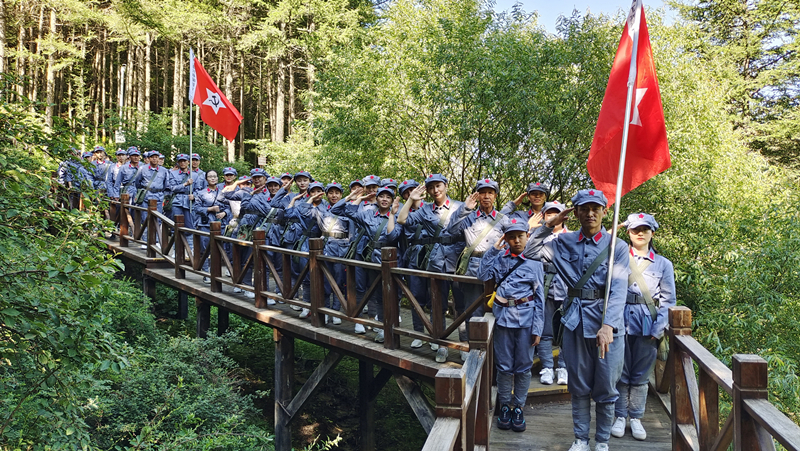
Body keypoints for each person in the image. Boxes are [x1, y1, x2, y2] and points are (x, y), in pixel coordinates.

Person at [524, 189, 629, 451]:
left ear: (604, 212)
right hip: (575, 322)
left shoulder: (617, 245)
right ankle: (581, 439)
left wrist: (608, 325)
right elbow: (529, 250)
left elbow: (618, 290)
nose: (590, 213)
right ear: (577, 212)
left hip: (608, 327)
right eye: (584, 208)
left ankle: (602, 441)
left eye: (596, 208)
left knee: (606, 387)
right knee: (579, 385)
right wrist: (549, 224)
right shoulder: (563, 242)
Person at [611, 213, 675, 441]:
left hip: (647, 326)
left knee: (640, 376)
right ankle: (619, 416)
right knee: (619, 372)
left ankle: (636, 418)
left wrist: (658, 330)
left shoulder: (663, 264)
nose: (640, 233)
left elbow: (669, 301)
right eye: (635, 229)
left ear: (652, 233)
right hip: (619, 323)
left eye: (645, 229)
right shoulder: (615, 257)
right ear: (627, 233)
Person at [479, 218, 544, 433]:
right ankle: (505, 405)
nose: (516, 240)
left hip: (526, 323)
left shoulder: (535, 263)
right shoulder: (499, 259)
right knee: (504, 367)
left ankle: (519, 407)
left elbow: (540, 299)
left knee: (524, 367)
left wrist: (537, 329)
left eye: (520, 236)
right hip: (504, 320)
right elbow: (482, 275)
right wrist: (491, 251)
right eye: (511, 236)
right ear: (505, 238)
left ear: (527, 236)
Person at [397, 174, 465, 362]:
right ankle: (442, 345)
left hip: (458, 262)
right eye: (432, 187)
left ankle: (463, 346)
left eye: (439, 186)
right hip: (436, 263)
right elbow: (402, 220)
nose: (436, 190)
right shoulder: (425, 210)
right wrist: (411, 200)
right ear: (427, 190)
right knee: (438, 305)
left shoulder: (460, 206)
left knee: (461, 306)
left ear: (446, 186)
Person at [448, 178, 511, 361]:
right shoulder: (468, 217)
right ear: (477, 195)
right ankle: (473, 351)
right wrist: (464, 208)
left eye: (490, 192)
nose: (486, 196)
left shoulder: (503, 219)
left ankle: (494, 353)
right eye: (483, 192)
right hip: (473, 270)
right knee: (472, 311)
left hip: (498, 272)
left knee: (497, 311)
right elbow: (451, 230)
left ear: (495, 196)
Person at [332, 185, 401, 343]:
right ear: (376, 199)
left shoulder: (397, 215)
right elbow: (340, 210)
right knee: (377, 294)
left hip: (391, 260)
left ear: (392, 200)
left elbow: (392, 237)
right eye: (381, 196)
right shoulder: (368, 213)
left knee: (390, 294)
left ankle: (391, 328)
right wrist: (358, 198)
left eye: (388, 197)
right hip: (372, 259)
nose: (384, 199)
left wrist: (392, 215)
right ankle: (383, 327)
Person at [535, 201, 570, 386]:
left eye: (557, 213)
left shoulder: (573, 237)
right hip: (545, 287)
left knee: (566, 331)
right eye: (549, 213)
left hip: (567, 289)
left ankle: (563, 366)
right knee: (545, 330)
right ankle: (547, 367)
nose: (553, 216)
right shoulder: (539, 237)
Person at [287, 181, 326, 318]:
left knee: (324, 277)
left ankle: (322, 307)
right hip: (305, 242)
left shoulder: (327, 206)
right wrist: (295, 200)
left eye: (318, 191)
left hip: (323, 243)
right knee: (306, 276)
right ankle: (307, 305)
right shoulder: (303, 204)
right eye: (313, 191)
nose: (316, 194)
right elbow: (289, 215)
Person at [317, 182, 349, 324]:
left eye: (337, 193)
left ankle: (336, 311)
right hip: (326, 247)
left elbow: (352, 230)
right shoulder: (322, 207)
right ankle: (325, 309)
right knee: (324, 280)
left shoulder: (347, 208)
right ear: (326, 194)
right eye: (331, 192)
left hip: (341, 248)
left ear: (341, 195)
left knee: (339, 280)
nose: (334, 195)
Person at [193, 170, 231, 279]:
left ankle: (217, 273)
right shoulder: (201, 193)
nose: (213, 178)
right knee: (205, 249)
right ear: (206, 179)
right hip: (206, 224)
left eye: (215, 176)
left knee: (221, 248)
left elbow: (229, 206)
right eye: (210, 177)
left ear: (218, 179)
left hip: (221, 224)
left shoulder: (223, 192)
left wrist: (225, 213)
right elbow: (197, 208)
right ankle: (206, 273)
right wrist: (210, 209)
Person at [166, 154, 195, 236]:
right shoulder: (173, 174)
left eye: (184, 161)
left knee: (190, 226)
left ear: (188, 162)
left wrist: (194, 196)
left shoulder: (194, 175)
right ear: (178, 163)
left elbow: (199, 190)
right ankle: (176, 247)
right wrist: (185, 184)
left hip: (189, 203)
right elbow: (172, 188)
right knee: (177, 224)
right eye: (180, 161)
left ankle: (189, 247)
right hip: (177, 201)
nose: (182, 163)